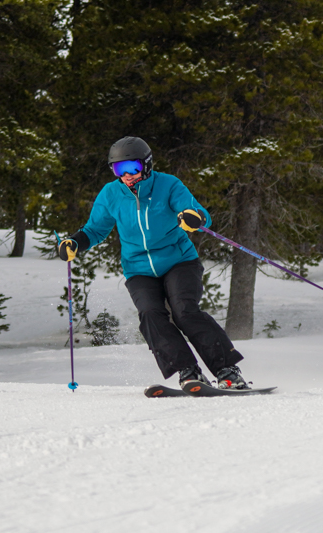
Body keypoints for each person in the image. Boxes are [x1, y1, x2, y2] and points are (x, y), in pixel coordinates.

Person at [57, 136, 250, 390]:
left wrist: (193, 217)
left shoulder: (168, 185)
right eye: (118, 169)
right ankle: (187, 371)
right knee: (151, 315)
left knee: (185, 311)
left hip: (179, 260)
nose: (126, 175)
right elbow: (95, 229)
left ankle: (227, 371)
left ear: (146, 165)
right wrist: (75, 242)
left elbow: (197, 213)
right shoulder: (111, 194)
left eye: (132, 168)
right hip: (138, 268)